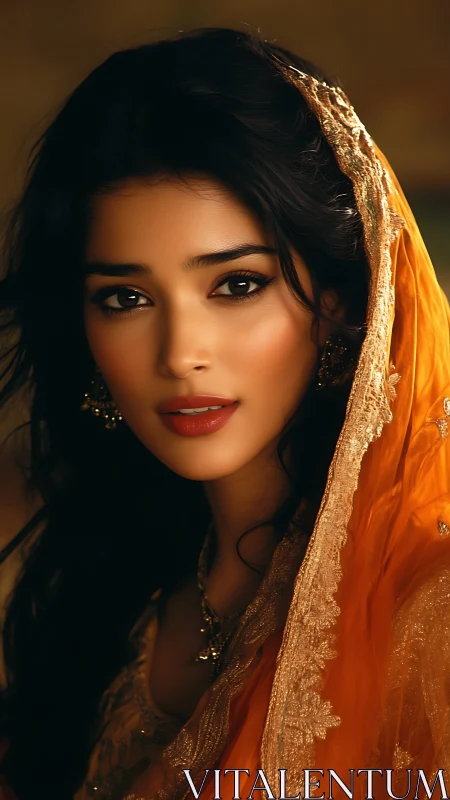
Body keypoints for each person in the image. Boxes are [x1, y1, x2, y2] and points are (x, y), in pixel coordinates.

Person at [0, 25, 449, 800]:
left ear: (338, 300)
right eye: (126, 298)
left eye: (236, 284)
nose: (180, 353)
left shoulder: (429, 616)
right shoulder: (107, 591)